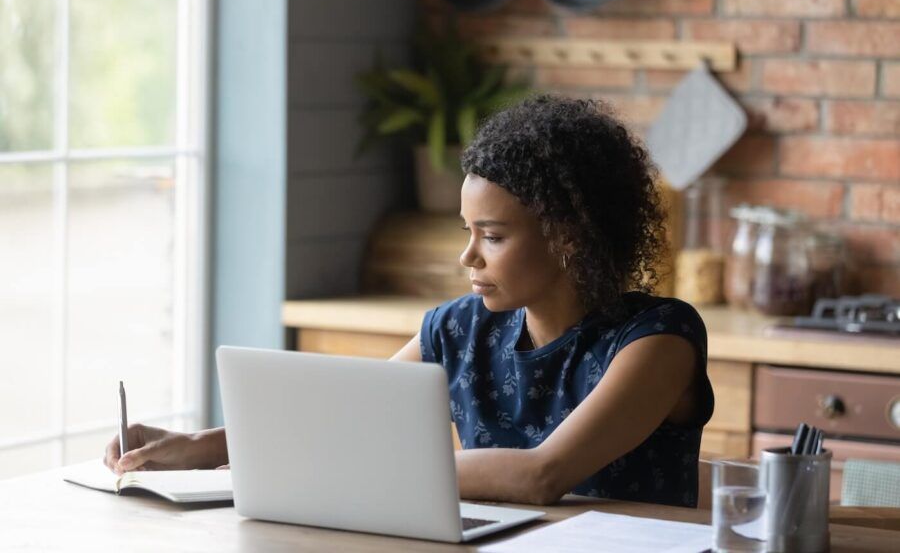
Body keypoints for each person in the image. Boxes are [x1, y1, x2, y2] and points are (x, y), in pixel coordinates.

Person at [105, 95, 714, 508]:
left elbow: (541, 475)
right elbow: (342, 416)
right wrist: (196, 446)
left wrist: (329, 474)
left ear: (569, 237)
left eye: (494, 237)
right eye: (467, 231)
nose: (468, 257)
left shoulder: (658, 339)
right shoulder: (459, 330)